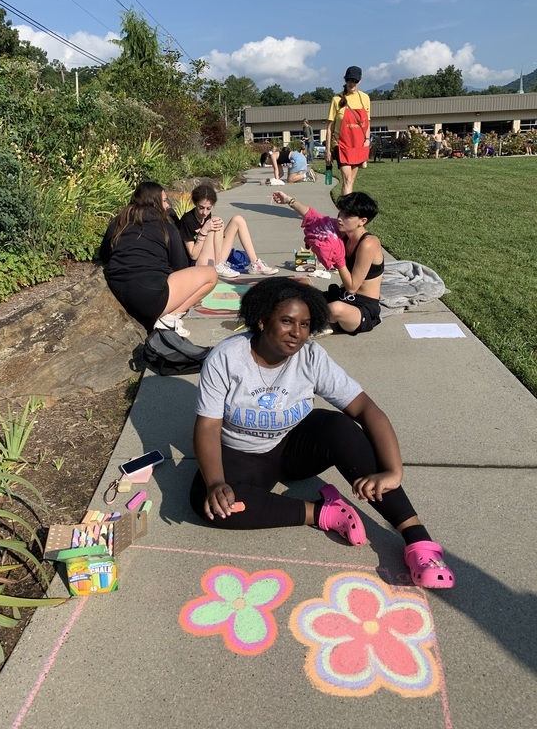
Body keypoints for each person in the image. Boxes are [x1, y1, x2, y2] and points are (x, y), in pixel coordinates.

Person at [189, 278, 455, 589]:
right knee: (209, 504)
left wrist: (393, 471)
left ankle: (419, 541)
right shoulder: (227, 358)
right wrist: (216, 482)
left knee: (339, 427)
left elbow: (366, 409)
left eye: (304, 324)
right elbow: (207, 426)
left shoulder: (311, 357)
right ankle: (322, 512)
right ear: (261, 320)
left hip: (293, 448)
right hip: (241, 455)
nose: (297, 333)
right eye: (286, 321)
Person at [99, 181, 217, 338]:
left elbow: (104, 254)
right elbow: (180, 266)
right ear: (154, 202)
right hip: (151, 297)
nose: (167, 205)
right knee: (211, 275)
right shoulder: (167, 227)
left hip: (119, 288)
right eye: (164, 200)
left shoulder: (119, 222)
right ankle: (169, 319)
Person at [272, 190, 383, 335]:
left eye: (347, 216)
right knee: (296, 293)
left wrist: (338, 258)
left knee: (335, 308)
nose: (340, 219)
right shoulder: (344, 231)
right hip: (342, 296)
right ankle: (321, 321)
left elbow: (352, 287)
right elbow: (315, 218)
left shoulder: (368, 243)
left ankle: (318, 323)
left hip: (362, 307)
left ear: (363, 221)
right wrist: (289, 200)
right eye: (340, 213)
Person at [178, 182, 278, 278]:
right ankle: (218, 265)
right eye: (201, 208)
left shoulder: (206, 215)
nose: (204, 212)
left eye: (208, 208)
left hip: (212, 256)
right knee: (216, 221)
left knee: (238, 220)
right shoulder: (187, 220)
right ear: (195, 203)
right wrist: (203, 232)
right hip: (200, 263)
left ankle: (255, 264)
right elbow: (193, 255)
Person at [326, 66, 371, 200]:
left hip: (358, 145)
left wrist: (367, 140)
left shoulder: (365, 98)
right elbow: (329, 128)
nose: (352, 83)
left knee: (350, 180)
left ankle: (344, 208)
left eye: (355, 81)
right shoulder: (337, 99)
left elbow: (367, 122)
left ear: (360, 80)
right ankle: (347, 209)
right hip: (341, 145)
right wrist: (328, 151)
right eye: (349, 80)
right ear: (345, 79)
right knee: (347, 178)